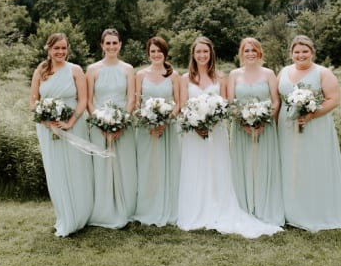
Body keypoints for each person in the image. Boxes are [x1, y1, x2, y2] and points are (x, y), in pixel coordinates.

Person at [176, 36, 281, 238]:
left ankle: (220, 207)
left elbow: (226, 105)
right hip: (193, 133)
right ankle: (196, 209)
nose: (202, 55)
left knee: (219, 168)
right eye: (198, 52)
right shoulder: (184, 79)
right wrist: (195, 123)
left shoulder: (221, 77)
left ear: (211, 54)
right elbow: (182, 106)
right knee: (196, 169)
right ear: (193, 54)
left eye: (205, 51)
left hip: (217, 131)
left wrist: (212, 121)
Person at [277, 35, 341, 231]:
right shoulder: (283, 72)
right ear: (291, 53)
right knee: (289, 166)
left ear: (312, 52)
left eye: (305, 51)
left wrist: (311, 115)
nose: (301, 55)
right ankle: (290, 211)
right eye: (297, 52)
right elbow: (278, 100)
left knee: (313, 166)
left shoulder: (323, 72)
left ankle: (315, 211)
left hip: (315, 127)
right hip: (286, 128)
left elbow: (333, 99)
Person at [29, 33, 94, 237]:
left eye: (64, 48)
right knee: (55, 170)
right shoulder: (41, 70)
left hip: (73, 125)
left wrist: (70, 122)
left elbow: (83, 100)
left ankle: (81, 215)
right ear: (48, 49)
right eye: (56, 48)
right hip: (47, 128)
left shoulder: (75, 70)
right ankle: (65, 216)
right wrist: (45, 120)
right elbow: (33, 100)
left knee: (77, 168)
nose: (60, 52)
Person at [227, 38, 284, 226]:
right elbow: (231, 102)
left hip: (264, 129)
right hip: (241, 129)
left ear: (259, 53)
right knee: (243, 165)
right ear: (241, 53)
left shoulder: (268, 74)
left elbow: (276, 101)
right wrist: (242, 122)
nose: (250, 53)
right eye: (246, 50)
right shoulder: (234, 74)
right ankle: (244, 205)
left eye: (254, 50)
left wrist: (265, 121)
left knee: (263, 164)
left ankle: (263, 205)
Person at [85, 29, 137, 228]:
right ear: (102, 45)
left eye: (115, 43)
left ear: (120, 44)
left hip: (124, 124)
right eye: (108, 43)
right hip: (99, 126)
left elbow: (131, 98)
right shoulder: (92, 69)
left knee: (125, 166)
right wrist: (100, 122)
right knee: (102, 167)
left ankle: (127, 208)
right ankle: (104, 210)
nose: (111, 47)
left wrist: (121, 122)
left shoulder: (128, 69)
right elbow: (89, 101)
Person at [132, 37, 181, 226]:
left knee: (168, 166)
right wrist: (145, 117)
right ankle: (148, 207)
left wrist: (166, 121)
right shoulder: (140, 75)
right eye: (152, 51)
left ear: (165, 52)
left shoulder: (173, 75)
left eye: (159, 51)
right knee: (148, 167)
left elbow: (178, 103)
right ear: (148, 53)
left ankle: (168, 206)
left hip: (168, 129)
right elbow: (137, 103)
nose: (156, 54)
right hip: (146, 129)